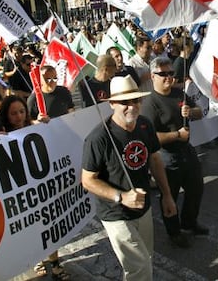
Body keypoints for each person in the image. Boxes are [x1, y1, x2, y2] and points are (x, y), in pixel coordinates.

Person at [81, 75, 176, 281]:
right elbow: (87, 180)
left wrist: (167, 195)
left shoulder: (145, 125)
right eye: (125, 102)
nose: (131, 106)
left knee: (144, 261)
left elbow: (155, 160)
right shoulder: (99, 138)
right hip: (116, 213)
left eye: (136, 100)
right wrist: (121, 197)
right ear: (112, 103)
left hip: (143, 207)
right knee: (139, 267)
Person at [141, 57, 208, 249]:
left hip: (187, 151)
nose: (169, 77)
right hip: (166, 157)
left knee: (196, 189)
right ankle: (174, 232)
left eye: (171, 73)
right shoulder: (150, 103)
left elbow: (198, 112)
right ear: (153, 76)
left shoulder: (179, 93)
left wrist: (191, 112)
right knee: (169, 196)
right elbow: (150, 137)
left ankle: (189, 222)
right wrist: (176, 135)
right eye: (163, 74)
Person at [27, 65, 74, 280]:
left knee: (54, 213)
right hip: (38, 162)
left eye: (55, 77)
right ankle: (38, 257)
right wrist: (36, 123)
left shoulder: (63, 92)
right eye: (48, 79)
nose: (53, 82)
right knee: (39, 214)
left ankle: (54, 261)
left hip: (62, 155)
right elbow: (24, 128)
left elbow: (72, 114)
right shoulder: (32, 101)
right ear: (40, 80)